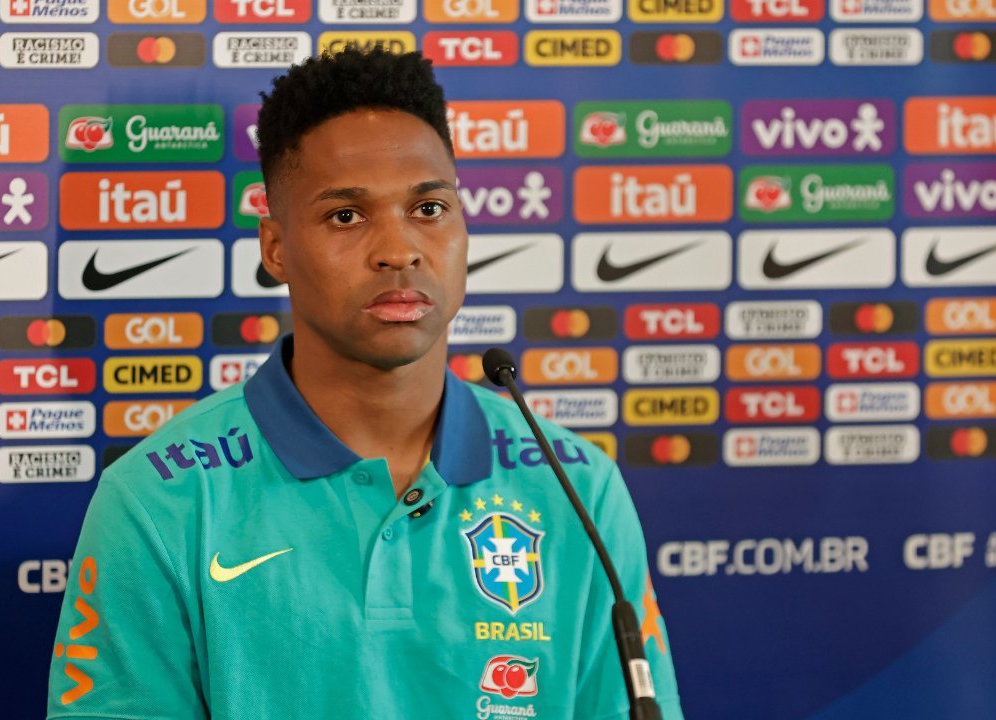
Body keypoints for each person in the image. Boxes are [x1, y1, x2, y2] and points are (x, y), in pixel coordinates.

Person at [46, 47, 684, 720]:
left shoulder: (577, 488)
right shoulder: (160, 500)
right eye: (347, 216)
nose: (398, 249)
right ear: (276, 248)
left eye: (430, 208)